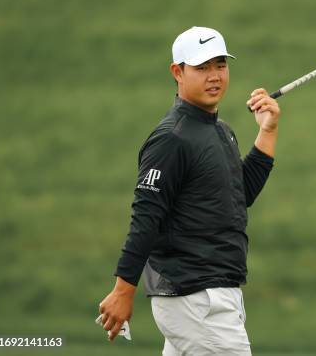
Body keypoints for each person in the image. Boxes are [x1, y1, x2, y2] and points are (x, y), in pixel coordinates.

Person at [98, 26, 280, 355]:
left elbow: (239, 196)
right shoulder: (172, 138)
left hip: (209, 296)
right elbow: (146, 217)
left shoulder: (220, 131)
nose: (214, 76)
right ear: (177, 72)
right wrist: (123, 290)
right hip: (195, 296)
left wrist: (268, 132)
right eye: (202, 67)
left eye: (220, 65)